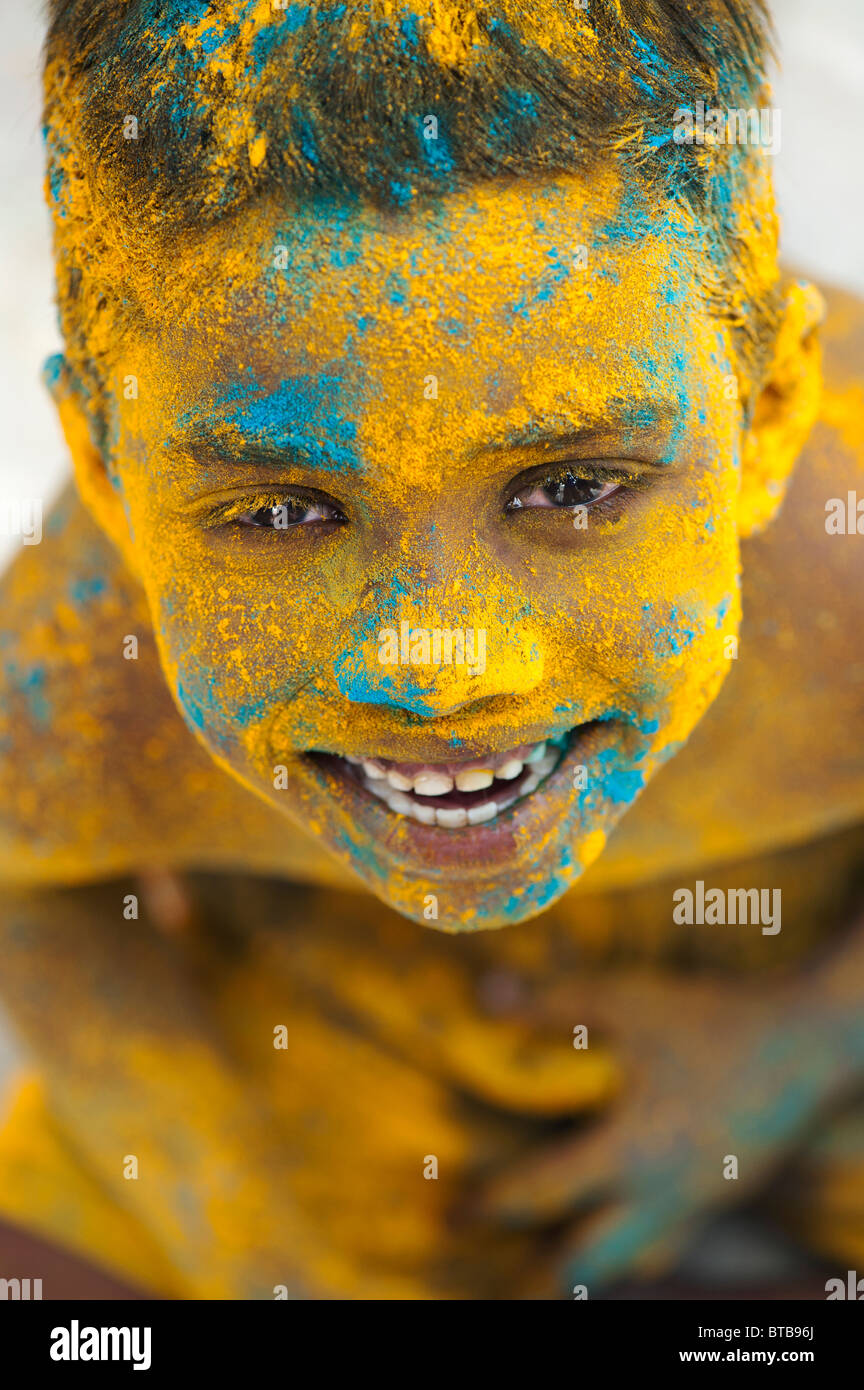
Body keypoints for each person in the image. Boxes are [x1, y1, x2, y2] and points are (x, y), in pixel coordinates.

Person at [0, 0, 862, 1298]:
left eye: (572, 490)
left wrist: (793, 1049)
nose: (437, 664)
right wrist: (248, 1229)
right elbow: (30, 880)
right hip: (329, 1024)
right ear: (107, 473)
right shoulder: (70, 697)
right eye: (283, 512)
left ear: (770, 415)